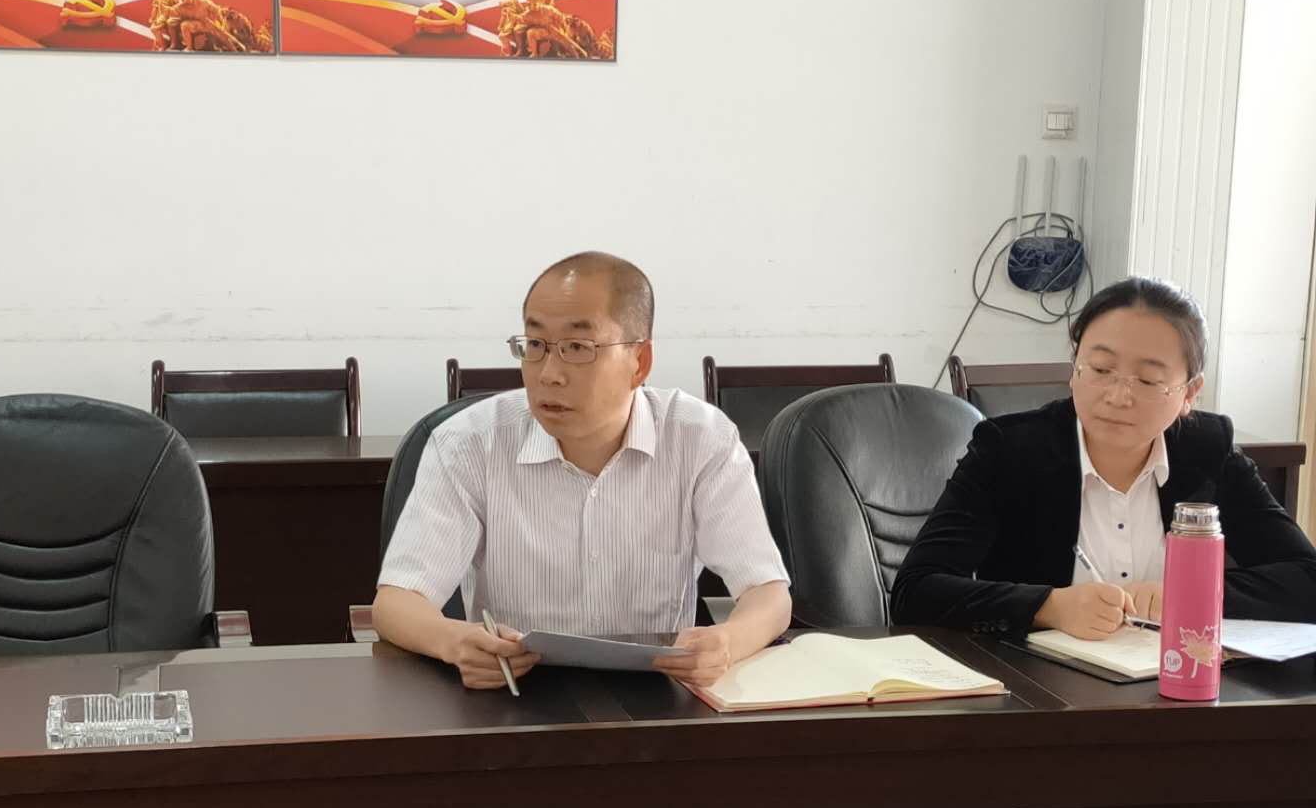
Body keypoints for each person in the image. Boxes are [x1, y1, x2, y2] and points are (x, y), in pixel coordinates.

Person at [373, 252, 792, 688]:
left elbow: (767, 593)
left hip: (656, 697)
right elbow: (397, 602)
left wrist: (728, 642)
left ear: (639, 362)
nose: (549, 374)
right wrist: (454, 641)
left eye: (577, 348)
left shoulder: (700, 439)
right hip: (512, 695)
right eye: (536, 345)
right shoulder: (469, 443)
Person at [892, 276, 1316, 640]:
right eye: (1099, 370)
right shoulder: (1008, 450)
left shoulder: (1208, 451)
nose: (1117, 396)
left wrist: (1191, 596)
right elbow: (915, 591)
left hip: (1178, 685)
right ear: (1074, 368)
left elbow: (1306, 578)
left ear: (1189, 392)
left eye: (1148, 380)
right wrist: (1049, 606)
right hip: (1038, 691)